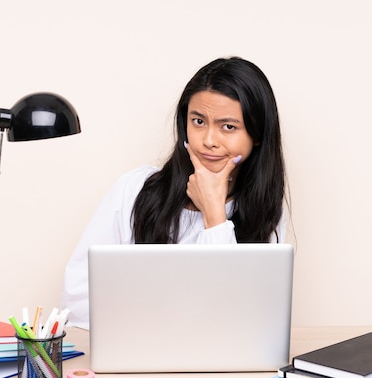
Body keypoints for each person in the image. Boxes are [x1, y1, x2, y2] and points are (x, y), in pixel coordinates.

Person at [61, 56, 287, 329]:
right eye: (198, 121)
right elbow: (78, 297)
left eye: (228, 127)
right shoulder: (134, 189)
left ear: (257, 135)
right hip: (136, 350)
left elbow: (238, 321)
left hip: (219, 363)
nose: (208, 141)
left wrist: (215, 215)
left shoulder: (264, 210)